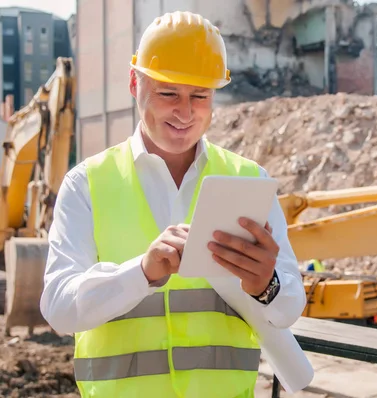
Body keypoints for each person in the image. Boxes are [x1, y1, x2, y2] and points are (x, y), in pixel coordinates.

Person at [40, 10, 306, 398]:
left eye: (200, 96)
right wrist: (141, 273)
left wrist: (266, 284)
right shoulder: (87, 184)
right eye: (169, 94)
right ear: (135, 83)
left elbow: (289, 308)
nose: (185, 112)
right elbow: (59, 309)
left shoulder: (249, 179)